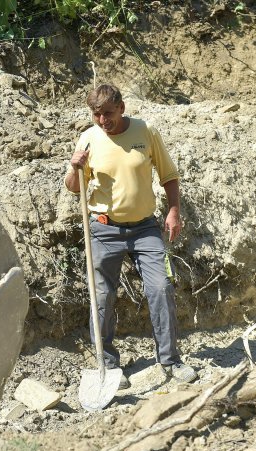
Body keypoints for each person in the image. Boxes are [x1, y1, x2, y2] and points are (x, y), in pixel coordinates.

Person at [64, 83, 197, 389]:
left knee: (161, 287)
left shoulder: (145, 132)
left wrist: (174, 211)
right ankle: (108, 366)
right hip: (102, 228)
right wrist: (74, 168)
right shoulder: (88, 139)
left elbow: (169, 176)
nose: (102, 120)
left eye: (107, 113)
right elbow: (74, 187)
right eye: (96, 114)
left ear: (121, 108)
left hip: (145, 228)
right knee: (102, 297)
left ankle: (170, 359)